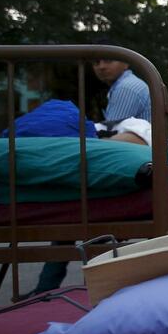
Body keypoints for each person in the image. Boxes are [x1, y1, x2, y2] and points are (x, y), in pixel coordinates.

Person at [20, 54, 152, 299]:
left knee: (79, 214)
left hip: (129, 168)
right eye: (96, 62)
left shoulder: (127, 88)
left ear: (125, 61)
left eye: (108, 60)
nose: (101, 66)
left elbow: (110, 138)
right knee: (72, 216)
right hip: (132, 165)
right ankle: (50, 289)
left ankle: (77, 291)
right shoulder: (125, 86)